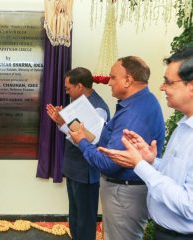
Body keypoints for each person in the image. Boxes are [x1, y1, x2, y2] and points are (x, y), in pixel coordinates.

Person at [98, 47, 193, 239]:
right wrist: (151, 161)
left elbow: (188, 206)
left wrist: (140, 165)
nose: (161, 87)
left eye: (168, 82)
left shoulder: (139, 109)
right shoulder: (183, 126)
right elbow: (177, 177)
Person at [69, 56, 165, 240]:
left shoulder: (133, 112)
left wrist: (82, 141)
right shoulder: (139, 103)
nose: (108, 82)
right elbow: (108, 139)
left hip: (124, 193)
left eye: (113, 77)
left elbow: (109, 164)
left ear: (128, 80)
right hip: (124, 191)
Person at [46, 67, 110, 240]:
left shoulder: (99, 109)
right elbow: (72, 135)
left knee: (85, 219)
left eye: (68, 88)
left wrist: (64, 123)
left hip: (86, 171)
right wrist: (60, 122)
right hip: (73, 167)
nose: (66, 92)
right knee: (74, 215)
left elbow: (92, 141)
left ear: (80, 86)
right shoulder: (77, 103)